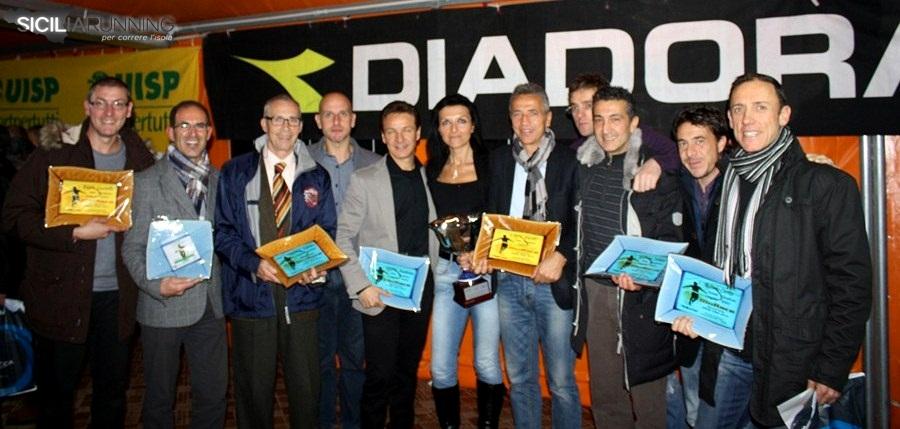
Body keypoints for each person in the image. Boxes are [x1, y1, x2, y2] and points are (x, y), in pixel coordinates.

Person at [673, 73, 872, 427]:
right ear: (730, 119)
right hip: (728, 351)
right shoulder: (727, 182)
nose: (747, 119)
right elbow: (718, 268)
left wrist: (831, 367)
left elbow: (852, 285)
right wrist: (695, 314)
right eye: (739, 109)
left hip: (792, 363)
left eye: (760, 107)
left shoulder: (826, 185)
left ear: (784, 115)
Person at [1, 77, 155, 428]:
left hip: (118, 298)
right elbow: (13, 216)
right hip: (60, 297)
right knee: (56, 401)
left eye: (118, 104)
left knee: (112, 396)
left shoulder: (140, 158)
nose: (109, 112)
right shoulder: (55, 154)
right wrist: (72, 232)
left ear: (129, 111)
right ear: (87, 107)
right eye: (100, 102)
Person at [215, 94, 336, 429]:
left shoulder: (317, 176)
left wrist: (315, 266)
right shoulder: (235, 171)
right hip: (251, 297)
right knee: (253, 392)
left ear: (301, 126)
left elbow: (327, 232)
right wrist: (253, 264)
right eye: (278, 119)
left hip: (302, 299)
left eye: (293, 120)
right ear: (264, 124)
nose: (286, 127)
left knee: (307, 390)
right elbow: (223, 232)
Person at [469, 83, 580, 429]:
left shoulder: (571, 161)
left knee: (561, 382)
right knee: (519, 379)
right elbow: (489, 215)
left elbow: (584, 221)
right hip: (510, 283)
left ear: (548, 118)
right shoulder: (499, 160)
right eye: (517, 113)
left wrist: (562, 255)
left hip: (553, 285)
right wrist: (482, 253)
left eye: (533, 112)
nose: (525, 121)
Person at [571, 86, 682, 428]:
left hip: (640, 297)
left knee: (648, 396)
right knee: (605, 394)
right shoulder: (582, 165)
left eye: (615, 119)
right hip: (595, 290)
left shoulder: (654, 173)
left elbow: (672, 242)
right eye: (599, 119)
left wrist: (643, 278)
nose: (606, 129)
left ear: (634, 124)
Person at [121, 101, 227, 428]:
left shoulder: (221, 180)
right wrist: (156, 285)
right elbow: (132, 247)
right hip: (162, 306)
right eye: (184, 125)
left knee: (213, 396)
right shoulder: (146, 182)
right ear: (170, 132)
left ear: (209, 133)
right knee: (159, 399)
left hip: (210, 304)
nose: (192, 133)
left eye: (199, 126)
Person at [336, 100, 438, 429]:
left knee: (406, 374)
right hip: (379, 292)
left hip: (419, 291)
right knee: (379, 376)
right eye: (391, 131)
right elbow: (343, 237)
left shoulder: (432, 178)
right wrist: (361, 286)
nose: (399, 138)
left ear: (418, 133)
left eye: (406, 130)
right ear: (382, 136)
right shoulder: (364, 179)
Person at [425, 94, 505, 429]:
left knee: (486, 363)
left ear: (473, 125)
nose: (454, 128)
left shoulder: (493, 166)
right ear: (438, 128)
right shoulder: (431, 169)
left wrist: (485, 252)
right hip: (446, 273)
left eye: (461, 120)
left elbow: (504, 217)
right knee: (441, 368)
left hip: (485, 273)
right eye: (446, 122)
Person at [308, 91, 380, 429]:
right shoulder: (301, 160)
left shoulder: (374, 163)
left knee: (355, 361)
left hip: (358, 277)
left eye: (343, 114)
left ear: (353, 119)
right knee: (319, 362)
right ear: (318, 120)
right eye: (329, 114)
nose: (336, 121)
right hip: (315, 276)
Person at [664, 106, 735, 429]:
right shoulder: (676, 185)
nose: (690, 152)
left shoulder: (743, 184)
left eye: (699, 141)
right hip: (690, 321)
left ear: (721, 142)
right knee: (695, 412)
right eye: (683, 143)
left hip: (732, 326)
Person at [566, 73, 680, 191]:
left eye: (588, 105)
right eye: (574, 107)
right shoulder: (575, 151)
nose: (579, 115)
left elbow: (679, 154)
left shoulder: (638, 134)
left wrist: (657, 164)